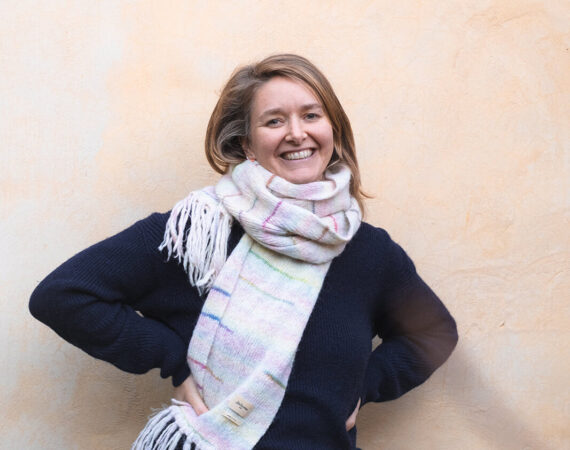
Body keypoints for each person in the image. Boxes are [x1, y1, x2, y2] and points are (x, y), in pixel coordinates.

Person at [29, 54, 458, 450]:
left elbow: (434, 333)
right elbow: (65, 295)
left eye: (312, 115)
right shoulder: (199, 231)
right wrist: (174, 361)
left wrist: (361, 387)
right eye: (274, 121)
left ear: (333, 131)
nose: (297, 133)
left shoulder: (368, 252)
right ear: (247, 144)